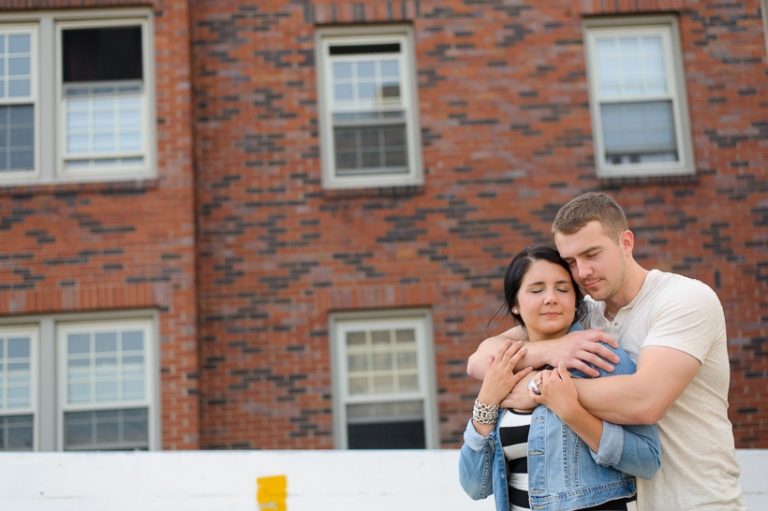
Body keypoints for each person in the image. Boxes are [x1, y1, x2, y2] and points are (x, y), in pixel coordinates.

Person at [468, 193, 747, 510]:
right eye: (571, 261)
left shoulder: (682, 299)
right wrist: (552, 348)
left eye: (592, 254)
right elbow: (480, 359)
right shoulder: (585, 313)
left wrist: (537, 388)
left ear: (626, 242)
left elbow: (646, 401)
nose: (582, 272)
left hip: (697, 502)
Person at [459, 246, 660, 511]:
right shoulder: (504, 368)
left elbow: (647, 460)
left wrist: (572, 412)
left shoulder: (599, 356)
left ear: (576, 301)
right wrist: (486, 400)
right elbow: (475, 487)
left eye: (563, 289)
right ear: (515, 305)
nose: (551, 298)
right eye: (537, 289)